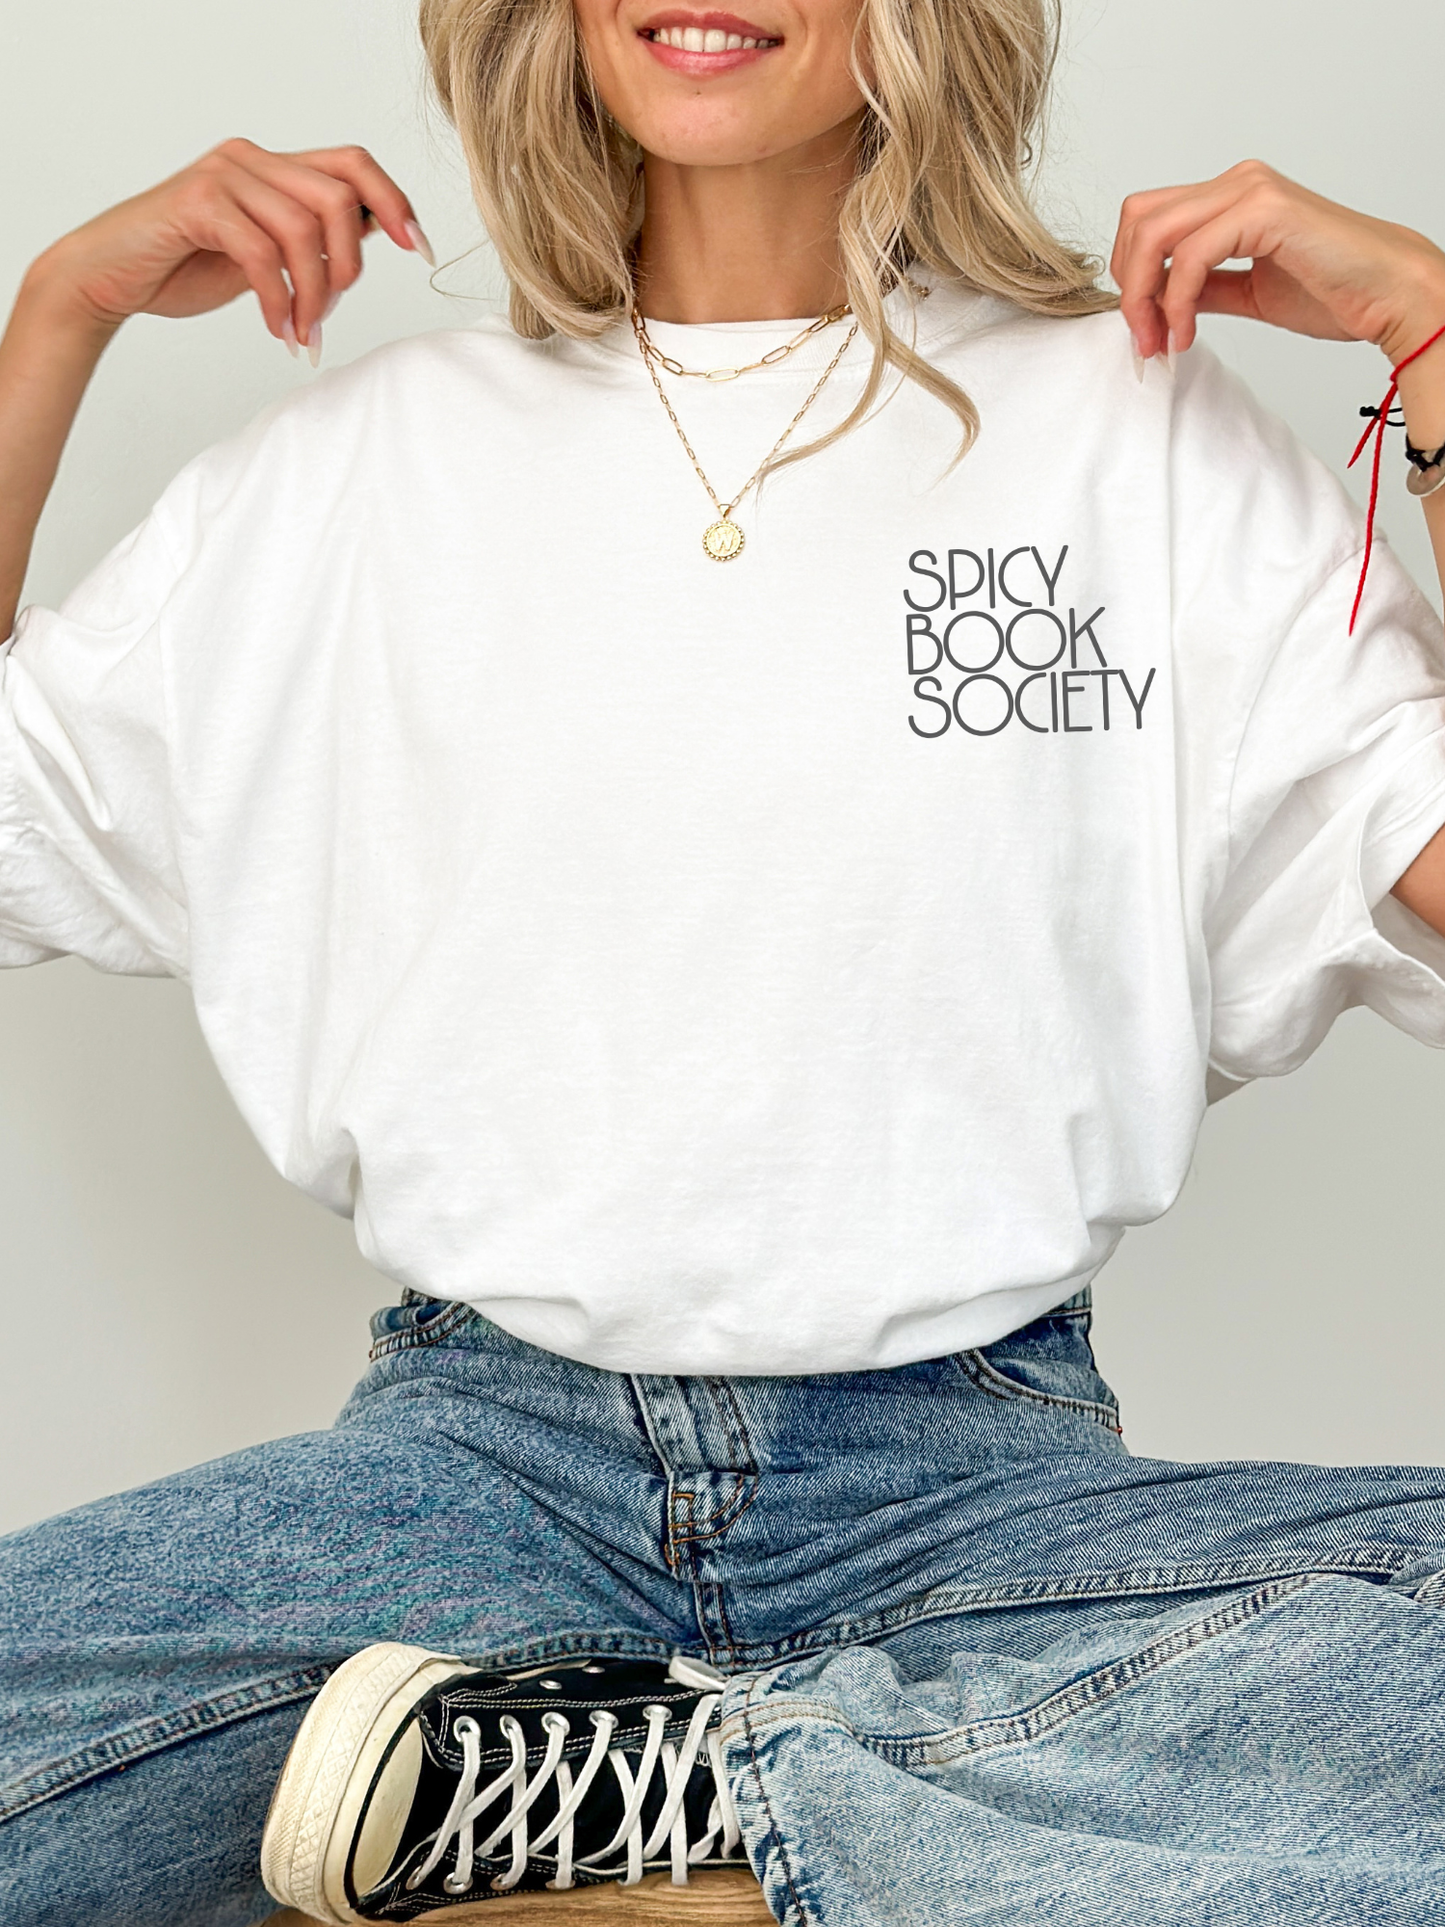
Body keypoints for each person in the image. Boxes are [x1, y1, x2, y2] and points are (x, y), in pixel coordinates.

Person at [3, 0, 1445, 1916]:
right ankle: (897, 1791)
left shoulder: (1143, 426)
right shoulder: (361, 467)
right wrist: (52, 326)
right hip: (466, 1473)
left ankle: (696, 1786)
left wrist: (1436, 337)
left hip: (982, 1488)